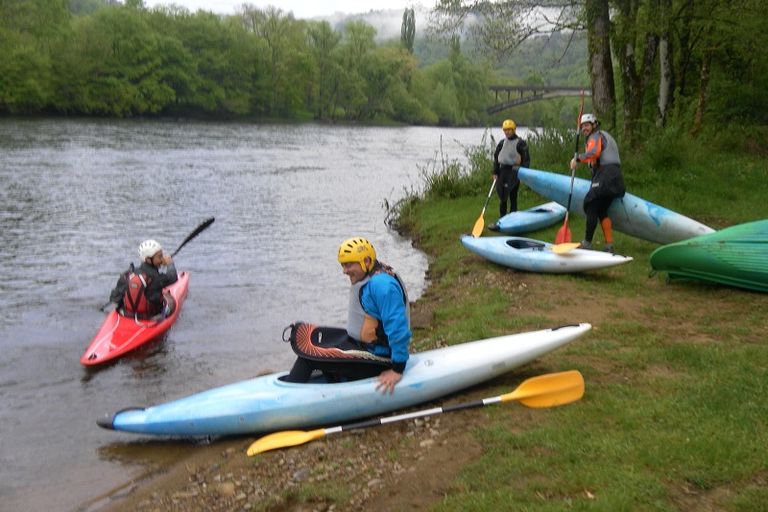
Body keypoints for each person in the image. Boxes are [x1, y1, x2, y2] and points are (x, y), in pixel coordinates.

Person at [283, 237, 411, 394]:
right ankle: (336, 378)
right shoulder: (371, 273)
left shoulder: (383, 286)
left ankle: (285, 397)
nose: (344, 271)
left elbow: (398, 328)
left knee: (308, 357)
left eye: (349, 265)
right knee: (312, 339)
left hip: (379, 357)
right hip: (362, 345)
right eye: (343, 265)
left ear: (366, 261)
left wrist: (397, 369)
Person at [569, 113, 626, 253]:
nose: (584, 129)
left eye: (587, 125)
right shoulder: (604, 135)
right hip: (616, 178)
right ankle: (609, 245)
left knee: (590, 204)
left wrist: (577, 159)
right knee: (601, 210)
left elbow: (594, 152)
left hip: (606, 175)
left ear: (594, 125)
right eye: (582, 126)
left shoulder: (595, 136)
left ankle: (587, 243)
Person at [109, 239, 178, 318]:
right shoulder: (156, 277)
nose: (162, 259)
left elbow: (114, 298)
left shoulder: (128, 274)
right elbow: (173, 277)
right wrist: (170, 264)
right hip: (150, 316)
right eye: (160, 256)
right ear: (148, 259)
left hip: (127, 314)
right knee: (171, 302)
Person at [489, 119, 530, 230]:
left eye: (509, 130)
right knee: (502, 196)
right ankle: (502, 219)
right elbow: (496, 158)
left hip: (514, 171)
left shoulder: (521, 143)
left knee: (513, 195)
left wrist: (523, 174)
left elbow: (526, 159)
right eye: (505, 130)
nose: (507, 132)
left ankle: (513, 219)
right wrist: (495, 172)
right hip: (502, 171)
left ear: (514, 130)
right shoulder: (502, 143)